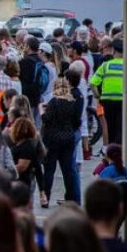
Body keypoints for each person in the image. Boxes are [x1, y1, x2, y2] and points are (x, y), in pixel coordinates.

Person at [40, 75, 83, 206]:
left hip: (52, 140)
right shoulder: (72, 102)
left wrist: (42, 109)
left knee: (49, 171)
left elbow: (46, 119)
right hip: (68, 139)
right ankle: (72, 198)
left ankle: (45, 198)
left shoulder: (54, 102)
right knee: (68, 170)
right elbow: (77, 121)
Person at [89, 38, 123, 145]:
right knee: (120, 127)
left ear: (113, 51)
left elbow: (93, 83)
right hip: (123, 101)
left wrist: (98, 96)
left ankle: (109, 148)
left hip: (106, 101)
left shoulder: (105, 66)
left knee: (108, 127)